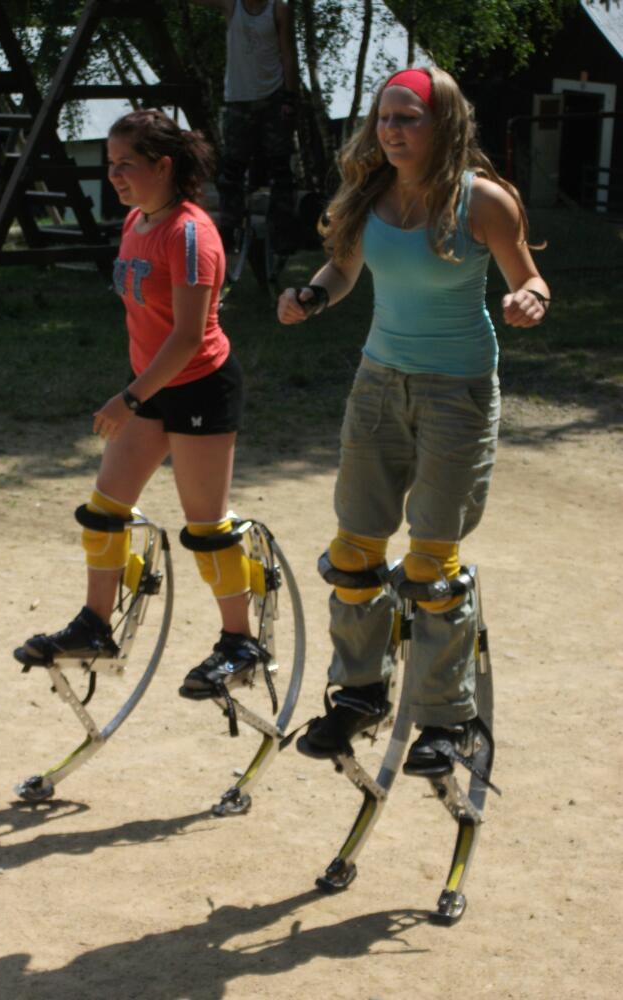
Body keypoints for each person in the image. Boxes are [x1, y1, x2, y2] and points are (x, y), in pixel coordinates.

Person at [277, 67, 550, 775]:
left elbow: (529, 278)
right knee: (354, 552)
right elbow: (342, 270)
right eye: (385, 118)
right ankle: (359, 694)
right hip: (377, 386)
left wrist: (530, 300)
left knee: (430, 565)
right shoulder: (367, 194)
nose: (392, 131)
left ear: (444, 124)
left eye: (408, 118)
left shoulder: (481, 201)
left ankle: (444, 719)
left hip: (456, 393)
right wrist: (311, 296)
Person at [15, 109, 263, 697]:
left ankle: (240, 643)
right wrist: (139, 392)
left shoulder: (190, 234)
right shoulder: (136, 221)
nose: (115, 176)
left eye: (126, 164)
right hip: (151, 385)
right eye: (111, 164)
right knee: (104, 510)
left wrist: (129, 398)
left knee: (206, 527)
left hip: (199, 386)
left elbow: (188, 336)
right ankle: (95, 628)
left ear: (164, 166)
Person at [191, 0, 299, 253]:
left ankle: (282, 234)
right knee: (232, 170)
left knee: (281, 170)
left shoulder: (278, 8)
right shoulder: (232, 5)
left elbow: (288, 53)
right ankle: (229, 231)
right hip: (238, 99)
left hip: (272, 97)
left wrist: (290, 97)